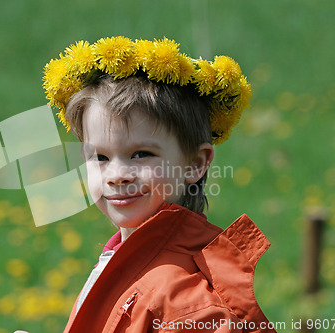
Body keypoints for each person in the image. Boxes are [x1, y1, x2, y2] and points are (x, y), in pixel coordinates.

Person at [16, 36, 276, 333]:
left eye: (141, 154)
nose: (117, 175)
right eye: (100, 156)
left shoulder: (185, 306)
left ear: (196, 163)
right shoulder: (125, 260)